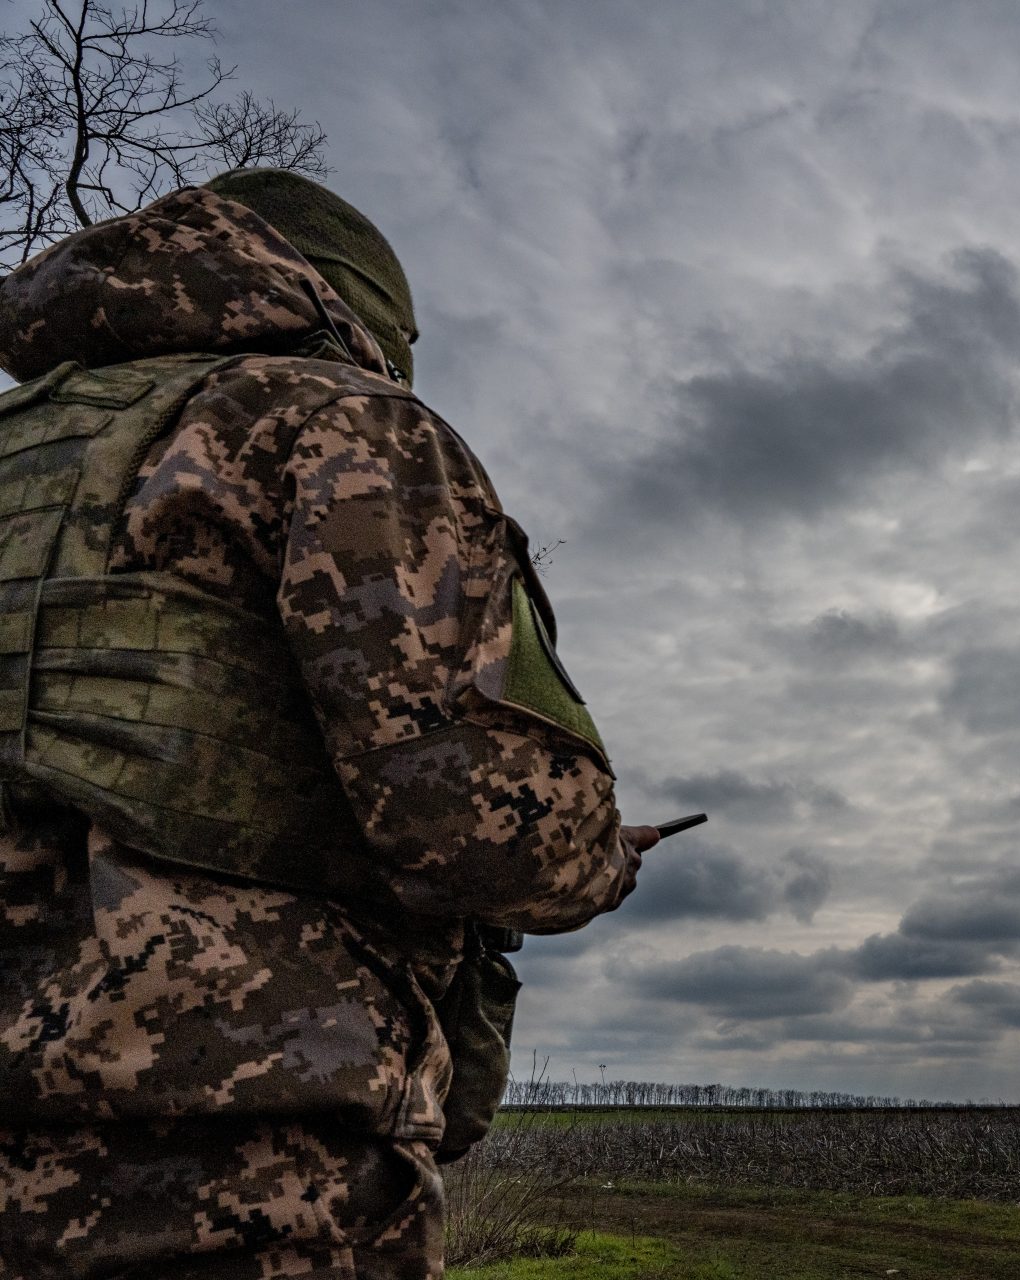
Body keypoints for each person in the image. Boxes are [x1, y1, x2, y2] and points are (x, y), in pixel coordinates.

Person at [0, 169, 655, 1278]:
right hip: (225, 1155)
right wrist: (599, 857)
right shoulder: (337, 421)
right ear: (360, 313)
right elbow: (483, 822)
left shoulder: (20, 445)